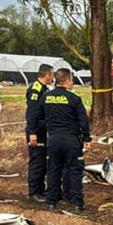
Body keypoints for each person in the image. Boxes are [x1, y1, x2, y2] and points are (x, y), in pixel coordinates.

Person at [42, 68, 90, 212]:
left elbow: (39, 116)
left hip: (53, 139)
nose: (72, 83)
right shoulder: (74, 98)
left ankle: (51, 201)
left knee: (53, 170)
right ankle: (77, 203)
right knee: (75, 170)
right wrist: (86, 138)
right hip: (71, 140)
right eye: (72, 80)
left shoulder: (46, 97)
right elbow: (83, 120)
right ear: (67, 80)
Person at [24, 63, 53, 202]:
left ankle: (41, 190)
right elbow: (31, 113)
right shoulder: (36, 90)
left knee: (42, 161)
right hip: (36, 131)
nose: (53, 77)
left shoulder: (44, 89)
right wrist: (32, 132)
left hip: (43, 130)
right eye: (52, 75)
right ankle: (34, 192)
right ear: (47, 75)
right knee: (37, 161)